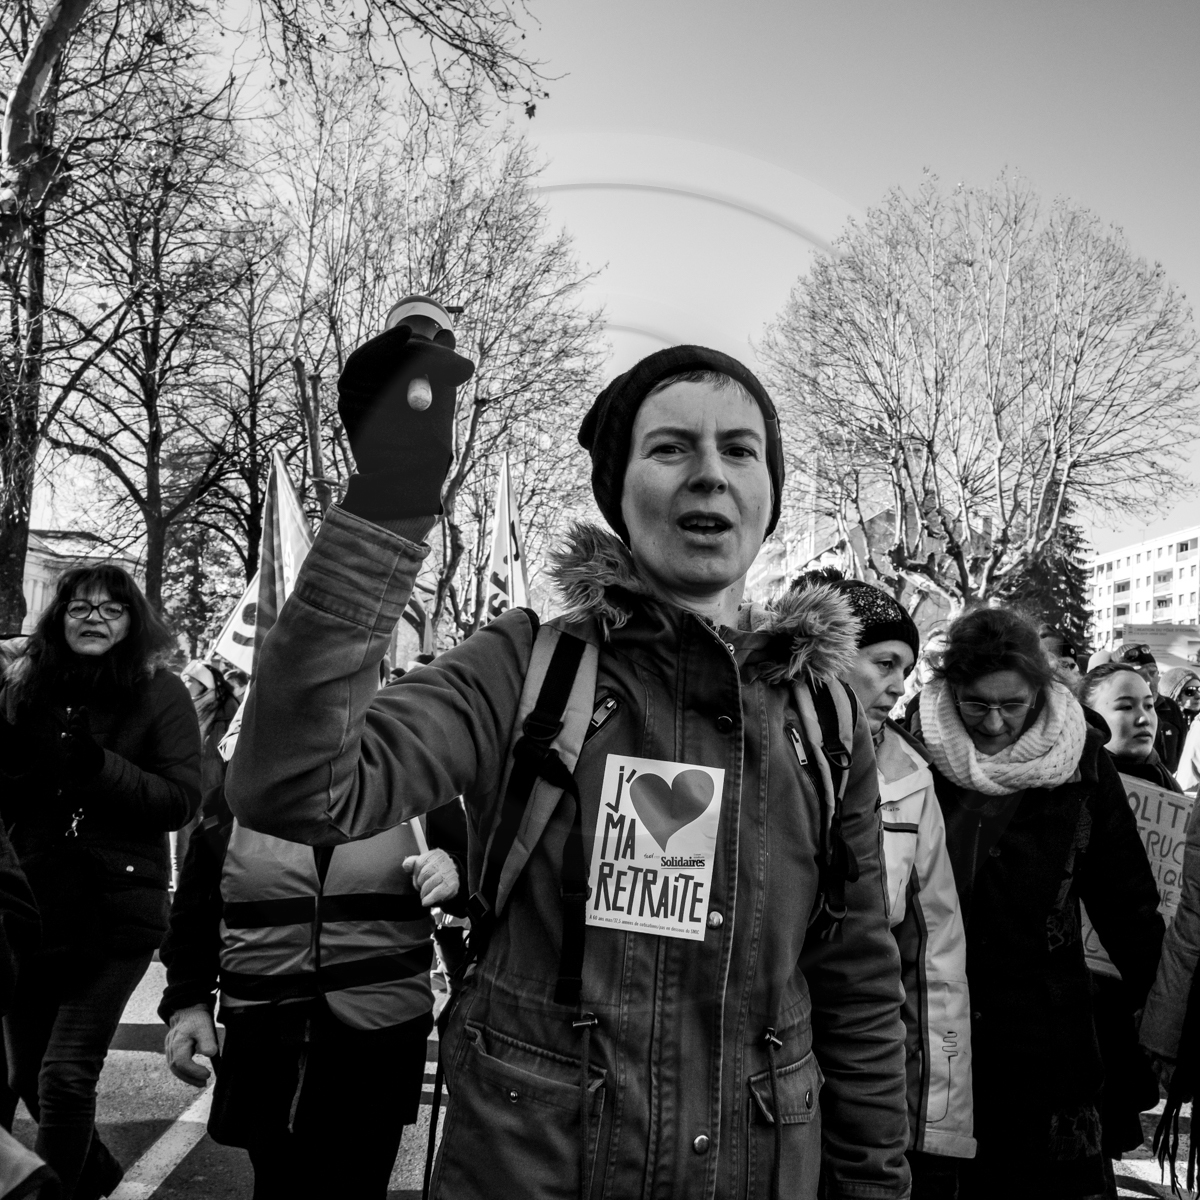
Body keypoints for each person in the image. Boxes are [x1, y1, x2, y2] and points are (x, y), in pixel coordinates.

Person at [226, 333, 911, 1199]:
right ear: (618, 494)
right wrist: (388, 501)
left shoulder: (824, 714)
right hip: (532, 1166)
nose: (710, 473)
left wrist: (875, 1187)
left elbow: (856, 983)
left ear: (768, 493)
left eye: (739, 449)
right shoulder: (526, 668)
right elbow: (293, 785)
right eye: (670, 448)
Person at [911, 607, 1163, 1199]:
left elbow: (1127, 902)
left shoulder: (1083, 762)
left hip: (1046, 1041)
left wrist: (1164, 1023)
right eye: (976, 705)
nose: (995, 723)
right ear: (950, 692)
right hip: (929, 1029)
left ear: (1041, 694)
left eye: (1012, 705)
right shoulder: (913, 754)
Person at [158, 782, 468, 1200]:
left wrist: (456, 869)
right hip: (264, 1039)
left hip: (379, 1044)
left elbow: (487, 878)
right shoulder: (240, 788)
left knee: (357, 1184)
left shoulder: (425, 787)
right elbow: (195, 911)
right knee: (277, 1184)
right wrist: (187, 1003)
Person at [0, 565, 200, 1200]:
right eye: (78, 607)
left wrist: (95, 765)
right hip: (35, 906)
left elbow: (179, 800)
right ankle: (98, 1179)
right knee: (28, 1075)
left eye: (111, 609)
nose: (94, 618)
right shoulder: (28, 689)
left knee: (64, 1076)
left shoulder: (160, 693)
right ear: (58, 619)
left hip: (119, 910)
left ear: (132, 622)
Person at [793, 572, 973, 1197]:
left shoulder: (910, 778)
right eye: (884, 662)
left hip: (858, 1080)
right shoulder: (745, 746)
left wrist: (937, 1124)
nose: (899, 687)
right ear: (829, 653)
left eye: (907, 667)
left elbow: (933, 962)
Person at [173, 661, 239, 880]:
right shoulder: (178, 707)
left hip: (213, 794)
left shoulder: (228, 708)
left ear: (203, 684)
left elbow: (233, 752)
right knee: (180, 853)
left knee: (211, 851)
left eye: (188, 680)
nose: (184, 685)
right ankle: (179, 908)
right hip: (183, 789)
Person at [1081, 664, 1180, 792]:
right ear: (1089, 717)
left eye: (1149, 706)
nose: (1144, 719)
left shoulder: (1167, 783)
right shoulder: (1071, 790)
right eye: (1126, 707)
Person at [1091, 645, 1188, 773]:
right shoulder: (1092, 775)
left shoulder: (1171, 707)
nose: (1148, 682)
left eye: (1153, 673)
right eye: (1126, 707)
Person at [1161, 667, 1200, 731]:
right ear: (1176, 696)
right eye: (1190, 691)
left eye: (1199, 689)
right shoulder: (1161, 725)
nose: (1198, 696)